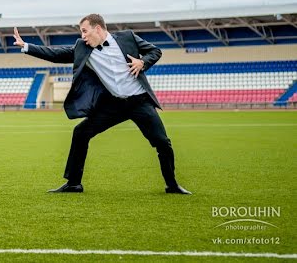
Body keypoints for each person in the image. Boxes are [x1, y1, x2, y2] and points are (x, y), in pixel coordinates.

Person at [12, 14, 190, 194]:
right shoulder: (83, 47)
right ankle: (73, 183)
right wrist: (26, 46)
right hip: (113, 104)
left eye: (84, 31)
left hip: (139, 102)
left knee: (162, 142)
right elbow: (56, 54)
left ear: (97, 29)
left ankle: (172, 185)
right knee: (81, 132)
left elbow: (155, 51)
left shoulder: (127, 37)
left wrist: (142, 62)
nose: (82, 36)